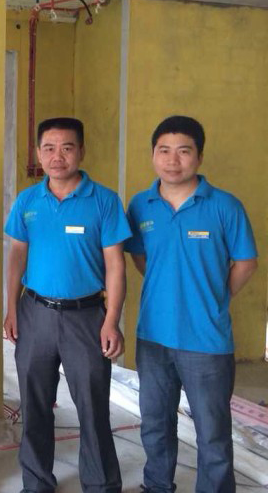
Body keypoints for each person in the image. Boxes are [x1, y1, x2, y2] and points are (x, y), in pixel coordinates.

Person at [125, 116, 257, 493]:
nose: (173, 160)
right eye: (163, 151)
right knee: (155, 424)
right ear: (153, 155)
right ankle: (157, 486)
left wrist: (216, 296)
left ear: (199, 156)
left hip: (207, 341)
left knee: (212, 431)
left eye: (183, 151)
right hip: (153, 337)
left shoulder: (224, 206)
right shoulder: (141, 205)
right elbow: (139, 256)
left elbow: (246, 262)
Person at [3, 117, 130, 493]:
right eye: (49, 148)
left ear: (81, 151)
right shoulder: (27, 201)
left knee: (92, 406)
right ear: (38, 153)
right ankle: (37, 482)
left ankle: (101, 484)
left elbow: (115, 265)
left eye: (67, 148)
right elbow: (16, 257)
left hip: (86, 317)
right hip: (35, 313)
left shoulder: (104, 200)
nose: (57, 156)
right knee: (35, 404)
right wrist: (11, 309)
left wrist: (112, 319)